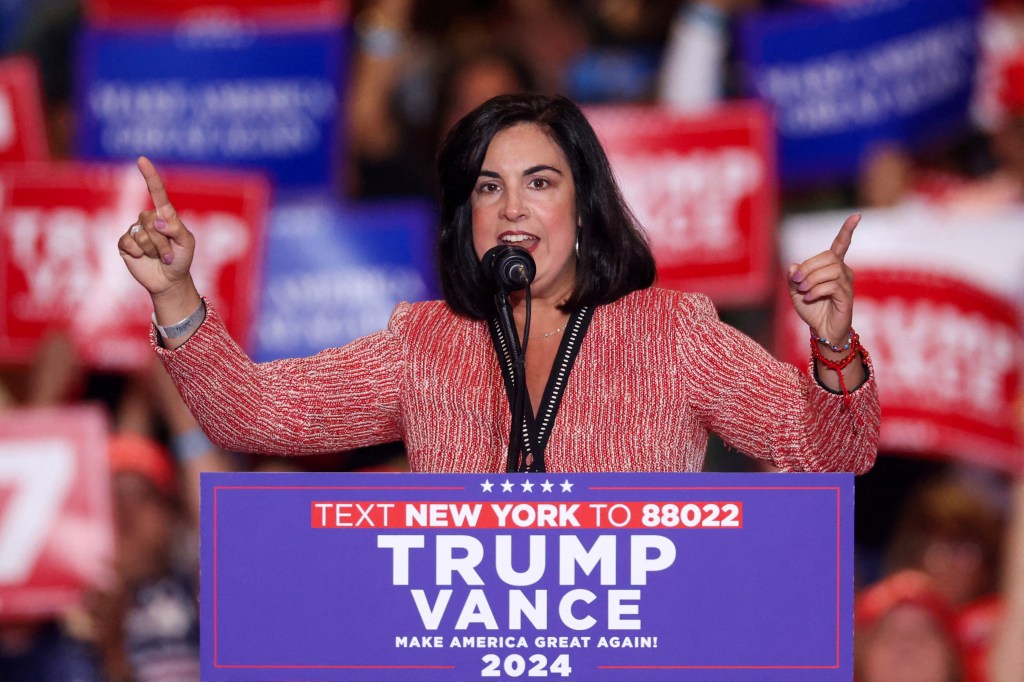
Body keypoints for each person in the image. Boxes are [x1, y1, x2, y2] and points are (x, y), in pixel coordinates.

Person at [117, 93, 879, 474]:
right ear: (467, 218)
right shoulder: (424, 344)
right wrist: (174, 293)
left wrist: (835, 347)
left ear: (583, 206)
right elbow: (254, 415)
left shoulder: (673, 333)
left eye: (540, 182)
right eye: (488, 187)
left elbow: (833, 452)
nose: (512, 207)